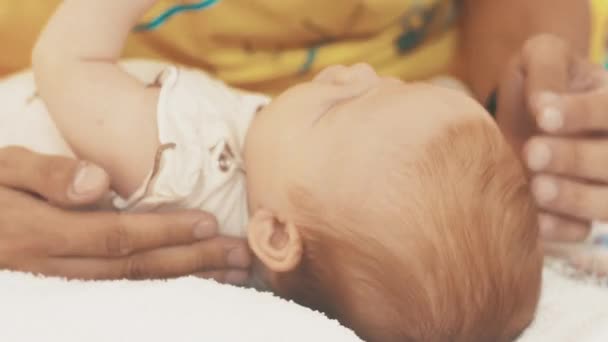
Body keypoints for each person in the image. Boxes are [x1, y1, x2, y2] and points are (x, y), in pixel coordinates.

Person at [2, 1, 543, 339]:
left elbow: (67, 60)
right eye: (380, 84)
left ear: (277, 234)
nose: (350, 71)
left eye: (342, 105)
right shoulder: (295, 186)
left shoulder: (187, 158)